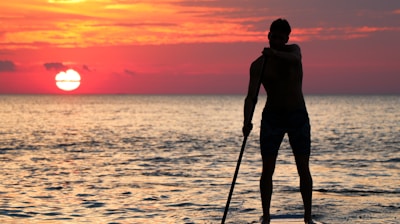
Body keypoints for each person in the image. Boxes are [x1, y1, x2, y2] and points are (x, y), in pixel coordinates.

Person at [242, 18, 313, 224]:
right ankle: (266, 216)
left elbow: (295, 60)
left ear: (287, 39)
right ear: (268, 36)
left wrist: (276, 54)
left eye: (281, 38)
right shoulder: (258, 65)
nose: (276, 40)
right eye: (273, 37)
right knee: (267, 169)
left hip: (297, 115)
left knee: (303, 167)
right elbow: (251, 96)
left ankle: (308, 218)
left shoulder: (294, 52)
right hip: (272, 117)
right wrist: (247, 122)